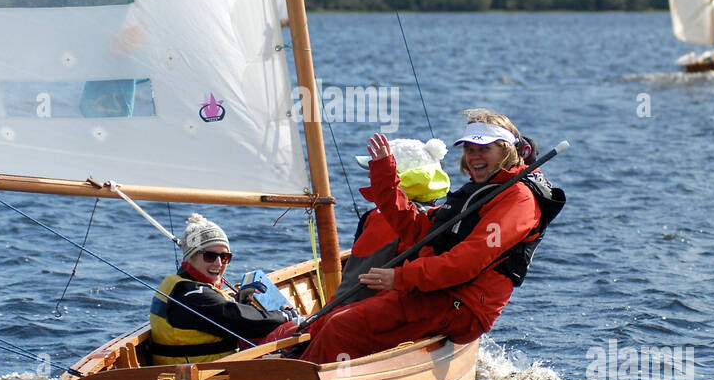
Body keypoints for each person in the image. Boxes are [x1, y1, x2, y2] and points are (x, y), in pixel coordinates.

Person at [292, 109, 564, 366]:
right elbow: (416, 228)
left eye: (484, 149)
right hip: (436, 292)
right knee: (335, 317)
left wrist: (401, 278)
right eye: (470, 149)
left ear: (506, 151)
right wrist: (385, 176)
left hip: (462, 306)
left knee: (343, 326)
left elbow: (467, 262)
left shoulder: (518, 199)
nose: (474, 156)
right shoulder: (483, 190)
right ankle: (297, 373)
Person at [149, 214, 296, 365]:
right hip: (202, 378)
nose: (218, 263)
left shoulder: (181, 285)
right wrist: (284, 316)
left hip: (212, 369)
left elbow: (228, 317)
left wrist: (242, 302)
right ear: (190, 257)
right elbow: (243, 322)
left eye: (225, 257)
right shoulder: (192, 295)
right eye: (210, 256)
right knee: (303, 332)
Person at [330, 136, 451, 306]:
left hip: (370, 309)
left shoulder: (383, 220)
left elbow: (357, 287)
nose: (369, 175)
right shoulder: (435, 214)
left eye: (374, 169)